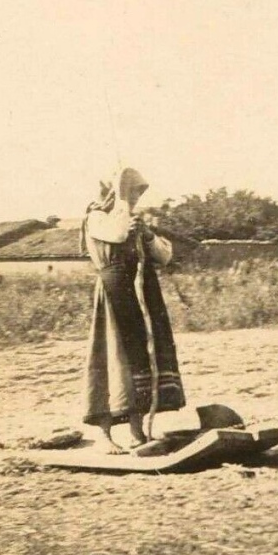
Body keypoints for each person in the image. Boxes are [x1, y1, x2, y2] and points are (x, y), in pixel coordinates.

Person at [81, 167, 186, 454]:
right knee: (114, 355)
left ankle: (136, 430)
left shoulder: (133, 221)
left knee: (141, 358)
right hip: (116, 291)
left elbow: (164, 256)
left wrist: (148, 235)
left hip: (142, 292)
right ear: (115, 192)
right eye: (131, 192)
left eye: (137, 194)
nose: (135, 199)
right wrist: (123, 203)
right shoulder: (97, 217)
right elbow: (116, 235)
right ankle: (104, 434)